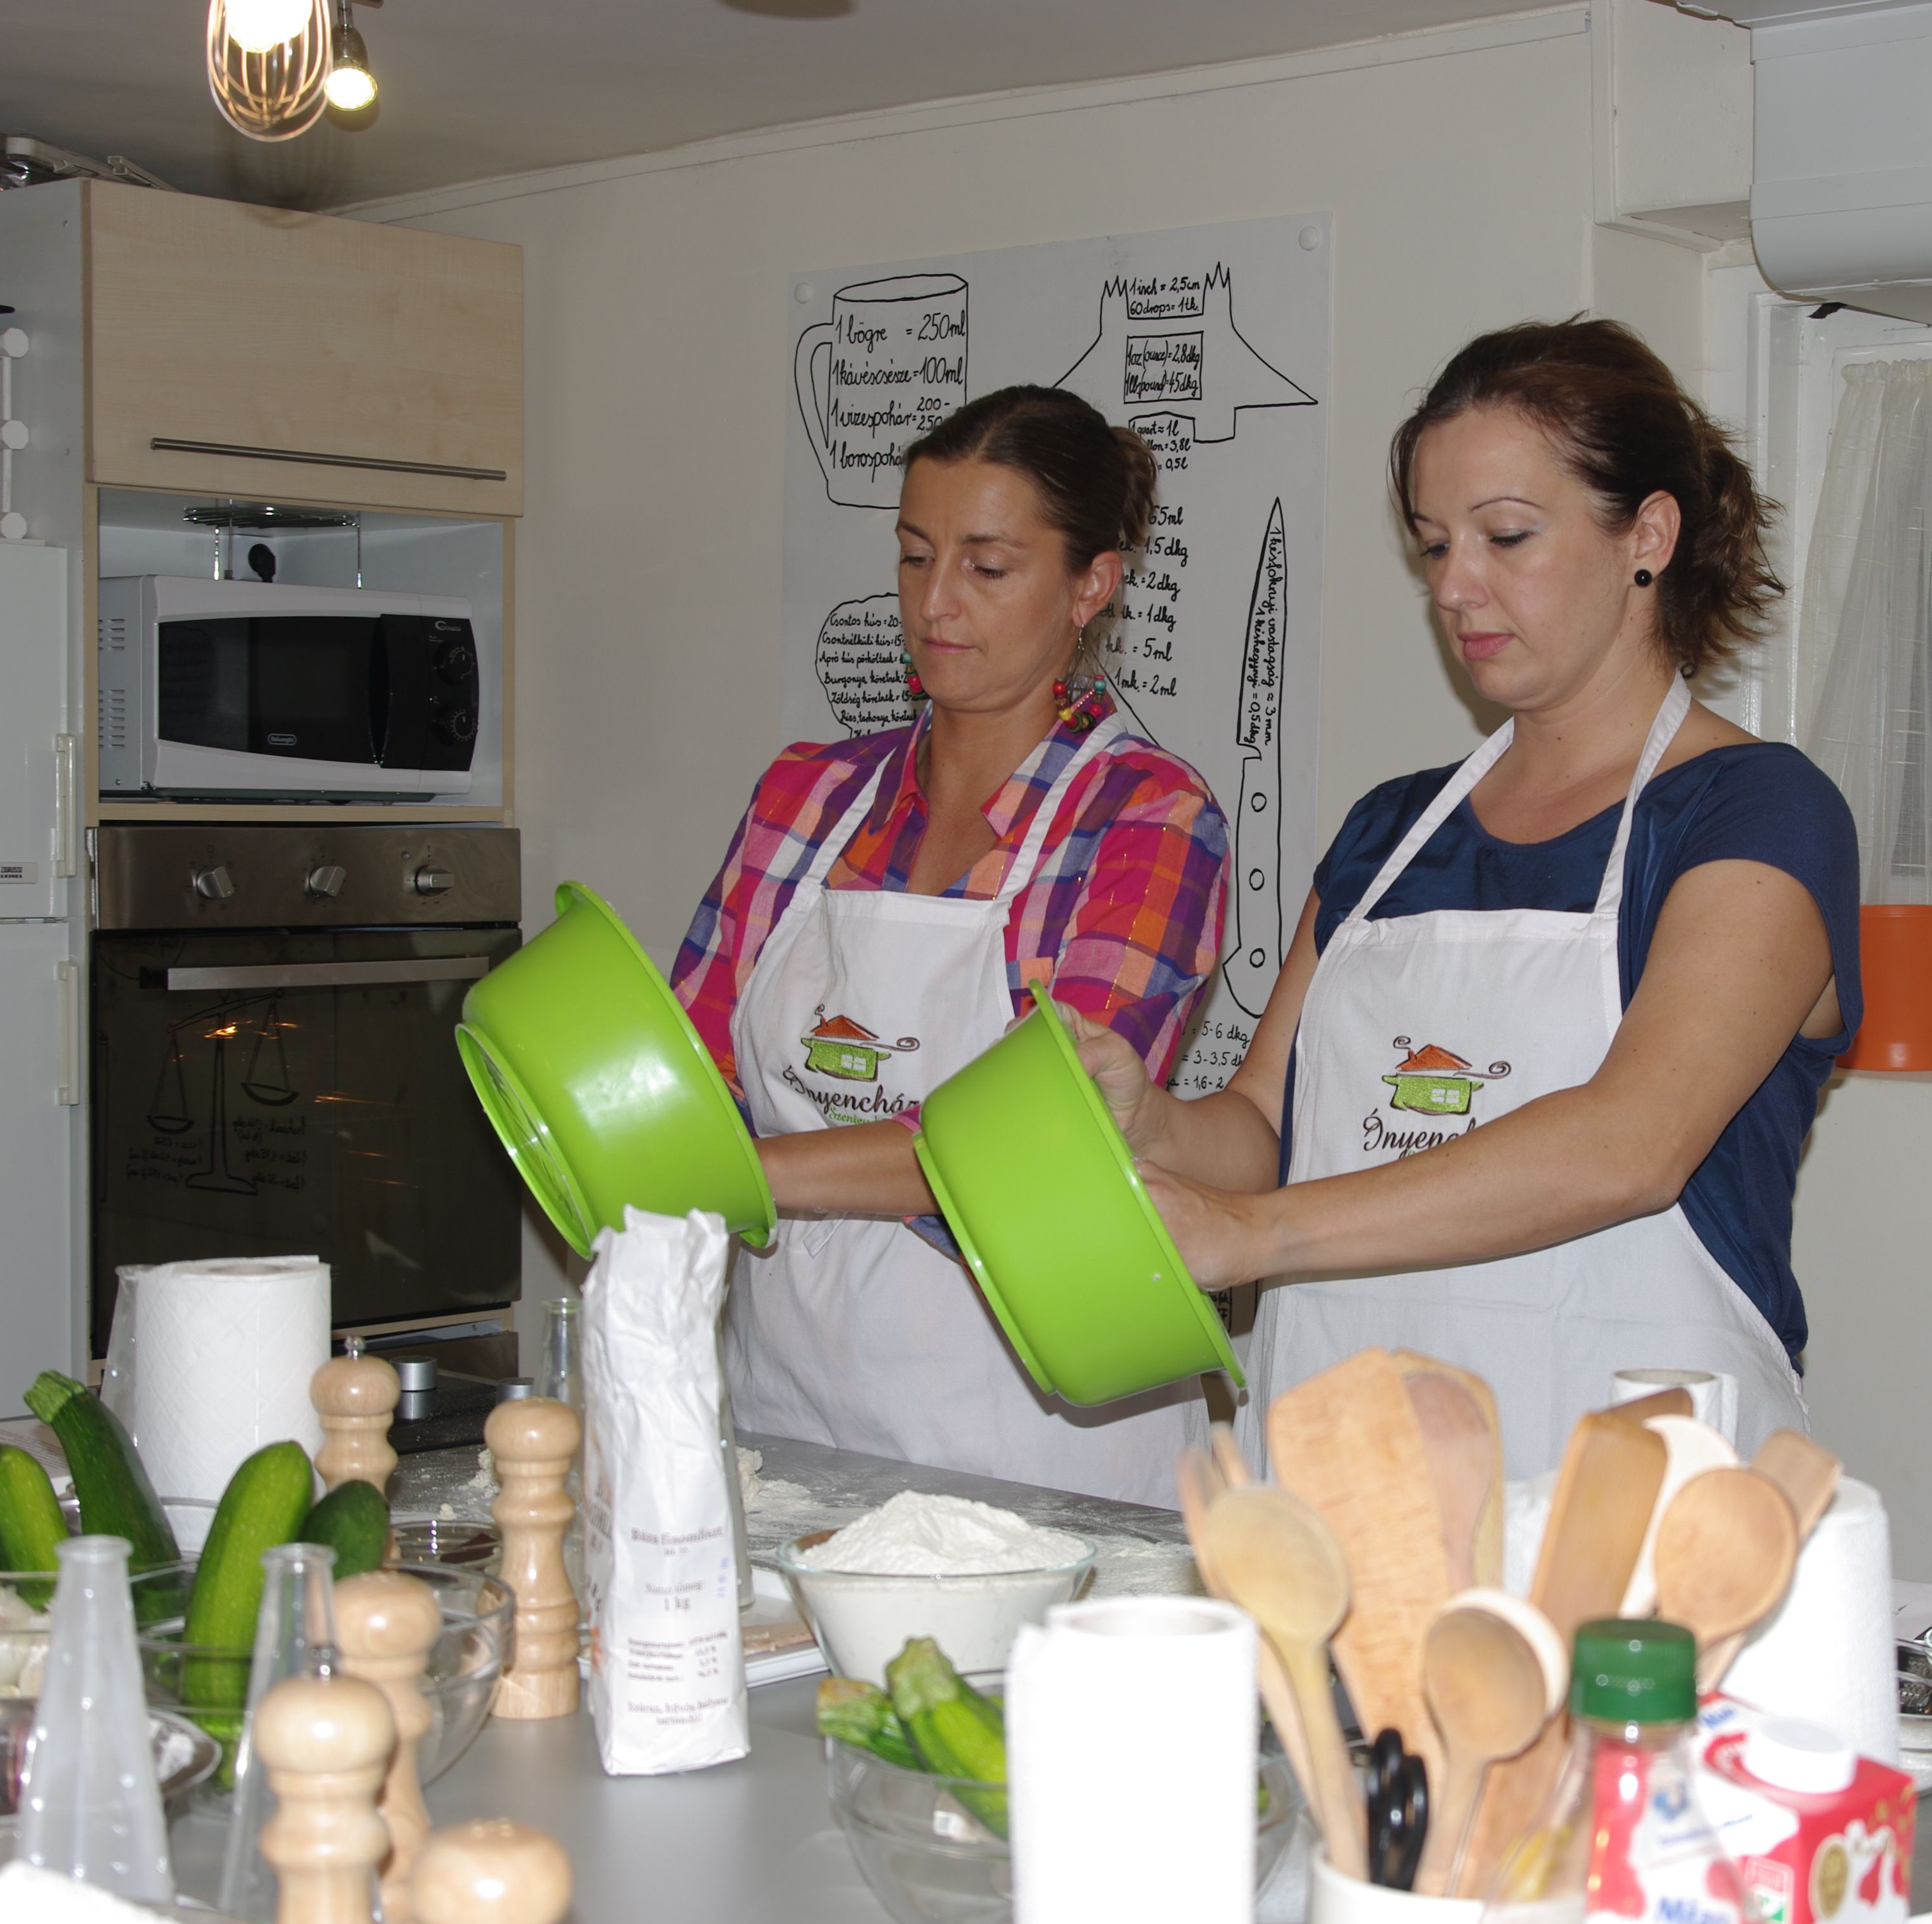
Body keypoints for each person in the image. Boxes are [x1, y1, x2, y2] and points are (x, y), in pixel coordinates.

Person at [1079, 320, 1859, 1477]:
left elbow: (1630, 1145)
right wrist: (1155, 1127)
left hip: (1629, 1513)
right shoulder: (1390, 832)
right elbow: (1263, 1129)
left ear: (1647, 533)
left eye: (1505, 536)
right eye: (1434, 545)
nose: (1455, 586)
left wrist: (1253, 1235)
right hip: (1352, 1484)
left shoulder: (1754, 811)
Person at [674, 385, 1228, 1504]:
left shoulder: (1146, 818)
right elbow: (695, 1076)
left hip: (1039, 1434)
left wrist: (735, 1180)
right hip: (795, 1413)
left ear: (1091, 585)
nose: (936, 604)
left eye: (987, 567)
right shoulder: (806, 795)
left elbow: (1023, 1142)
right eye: (915, 557)